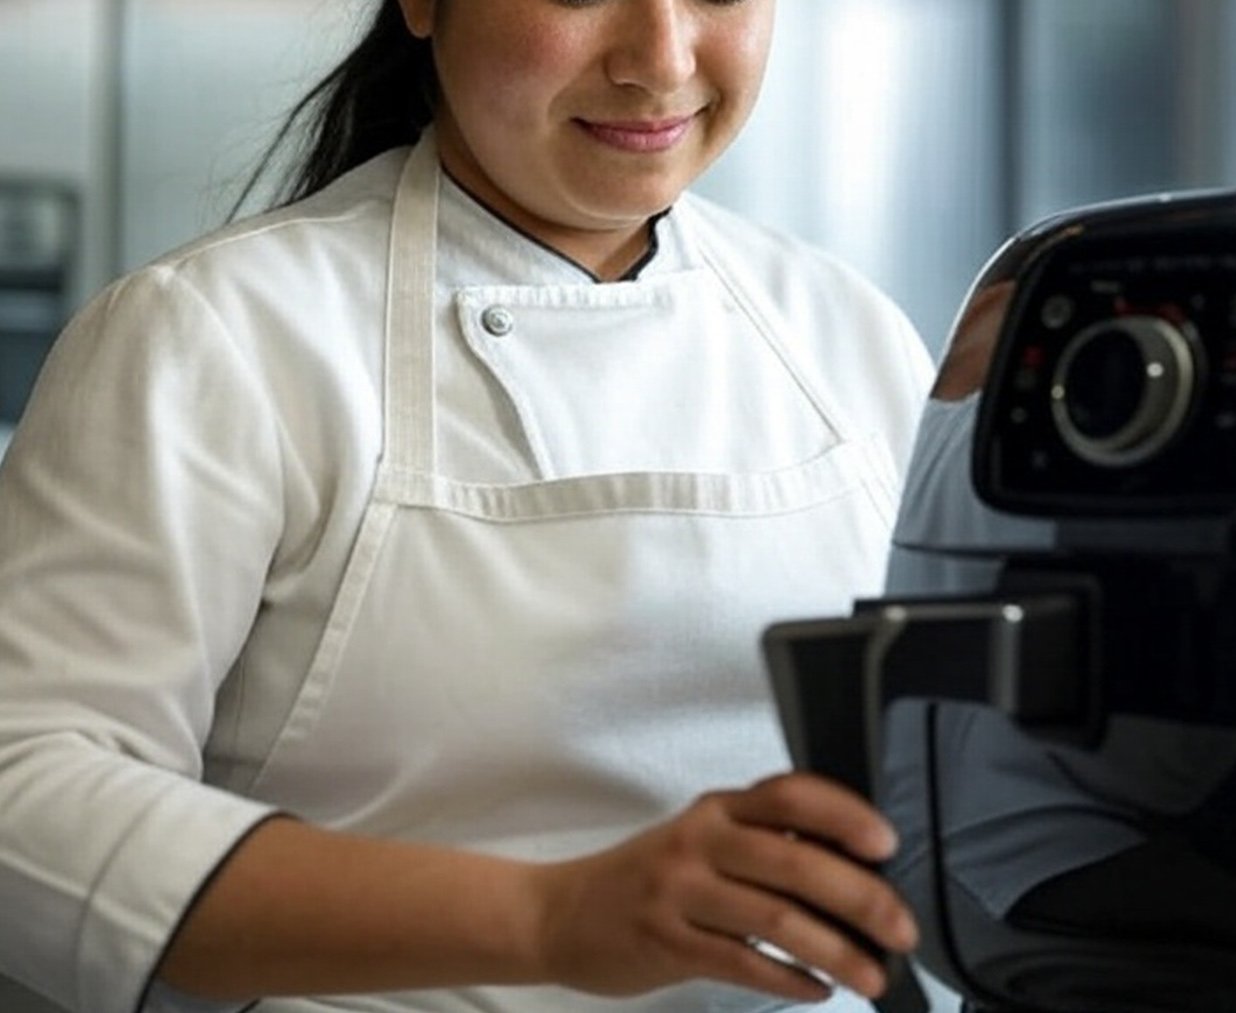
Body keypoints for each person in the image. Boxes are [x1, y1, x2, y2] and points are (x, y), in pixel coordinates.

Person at [0, 0, 941, 1010]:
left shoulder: (849, 333)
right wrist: (549, 917)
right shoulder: (218, 335)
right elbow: (26, 791)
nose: (660, 61)